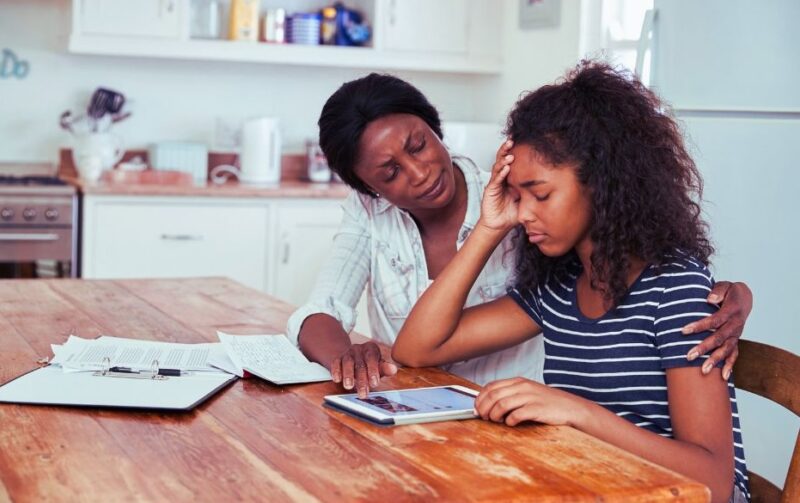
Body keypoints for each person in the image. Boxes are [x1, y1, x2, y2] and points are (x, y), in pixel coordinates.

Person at [392, 61, 749, 502]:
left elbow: (714, 479)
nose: (523, 214)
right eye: (517, 197)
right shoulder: (558, 289)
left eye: (540, 194)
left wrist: (576, 412)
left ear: (601, 183)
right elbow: (415, 349)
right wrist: (489, 227)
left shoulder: (674, 290)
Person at [286, 72, 754, 399]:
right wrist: (346, 358)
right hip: (425, 416)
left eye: (419, 145)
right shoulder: (373, 215)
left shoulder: (525, 198)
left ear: (434, 127)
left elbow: (633, 263)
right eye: (390, 172)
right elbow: (332, 313)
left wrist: (733, 294)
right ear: (370, 188)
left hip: (516, 419)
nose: (420, 171)